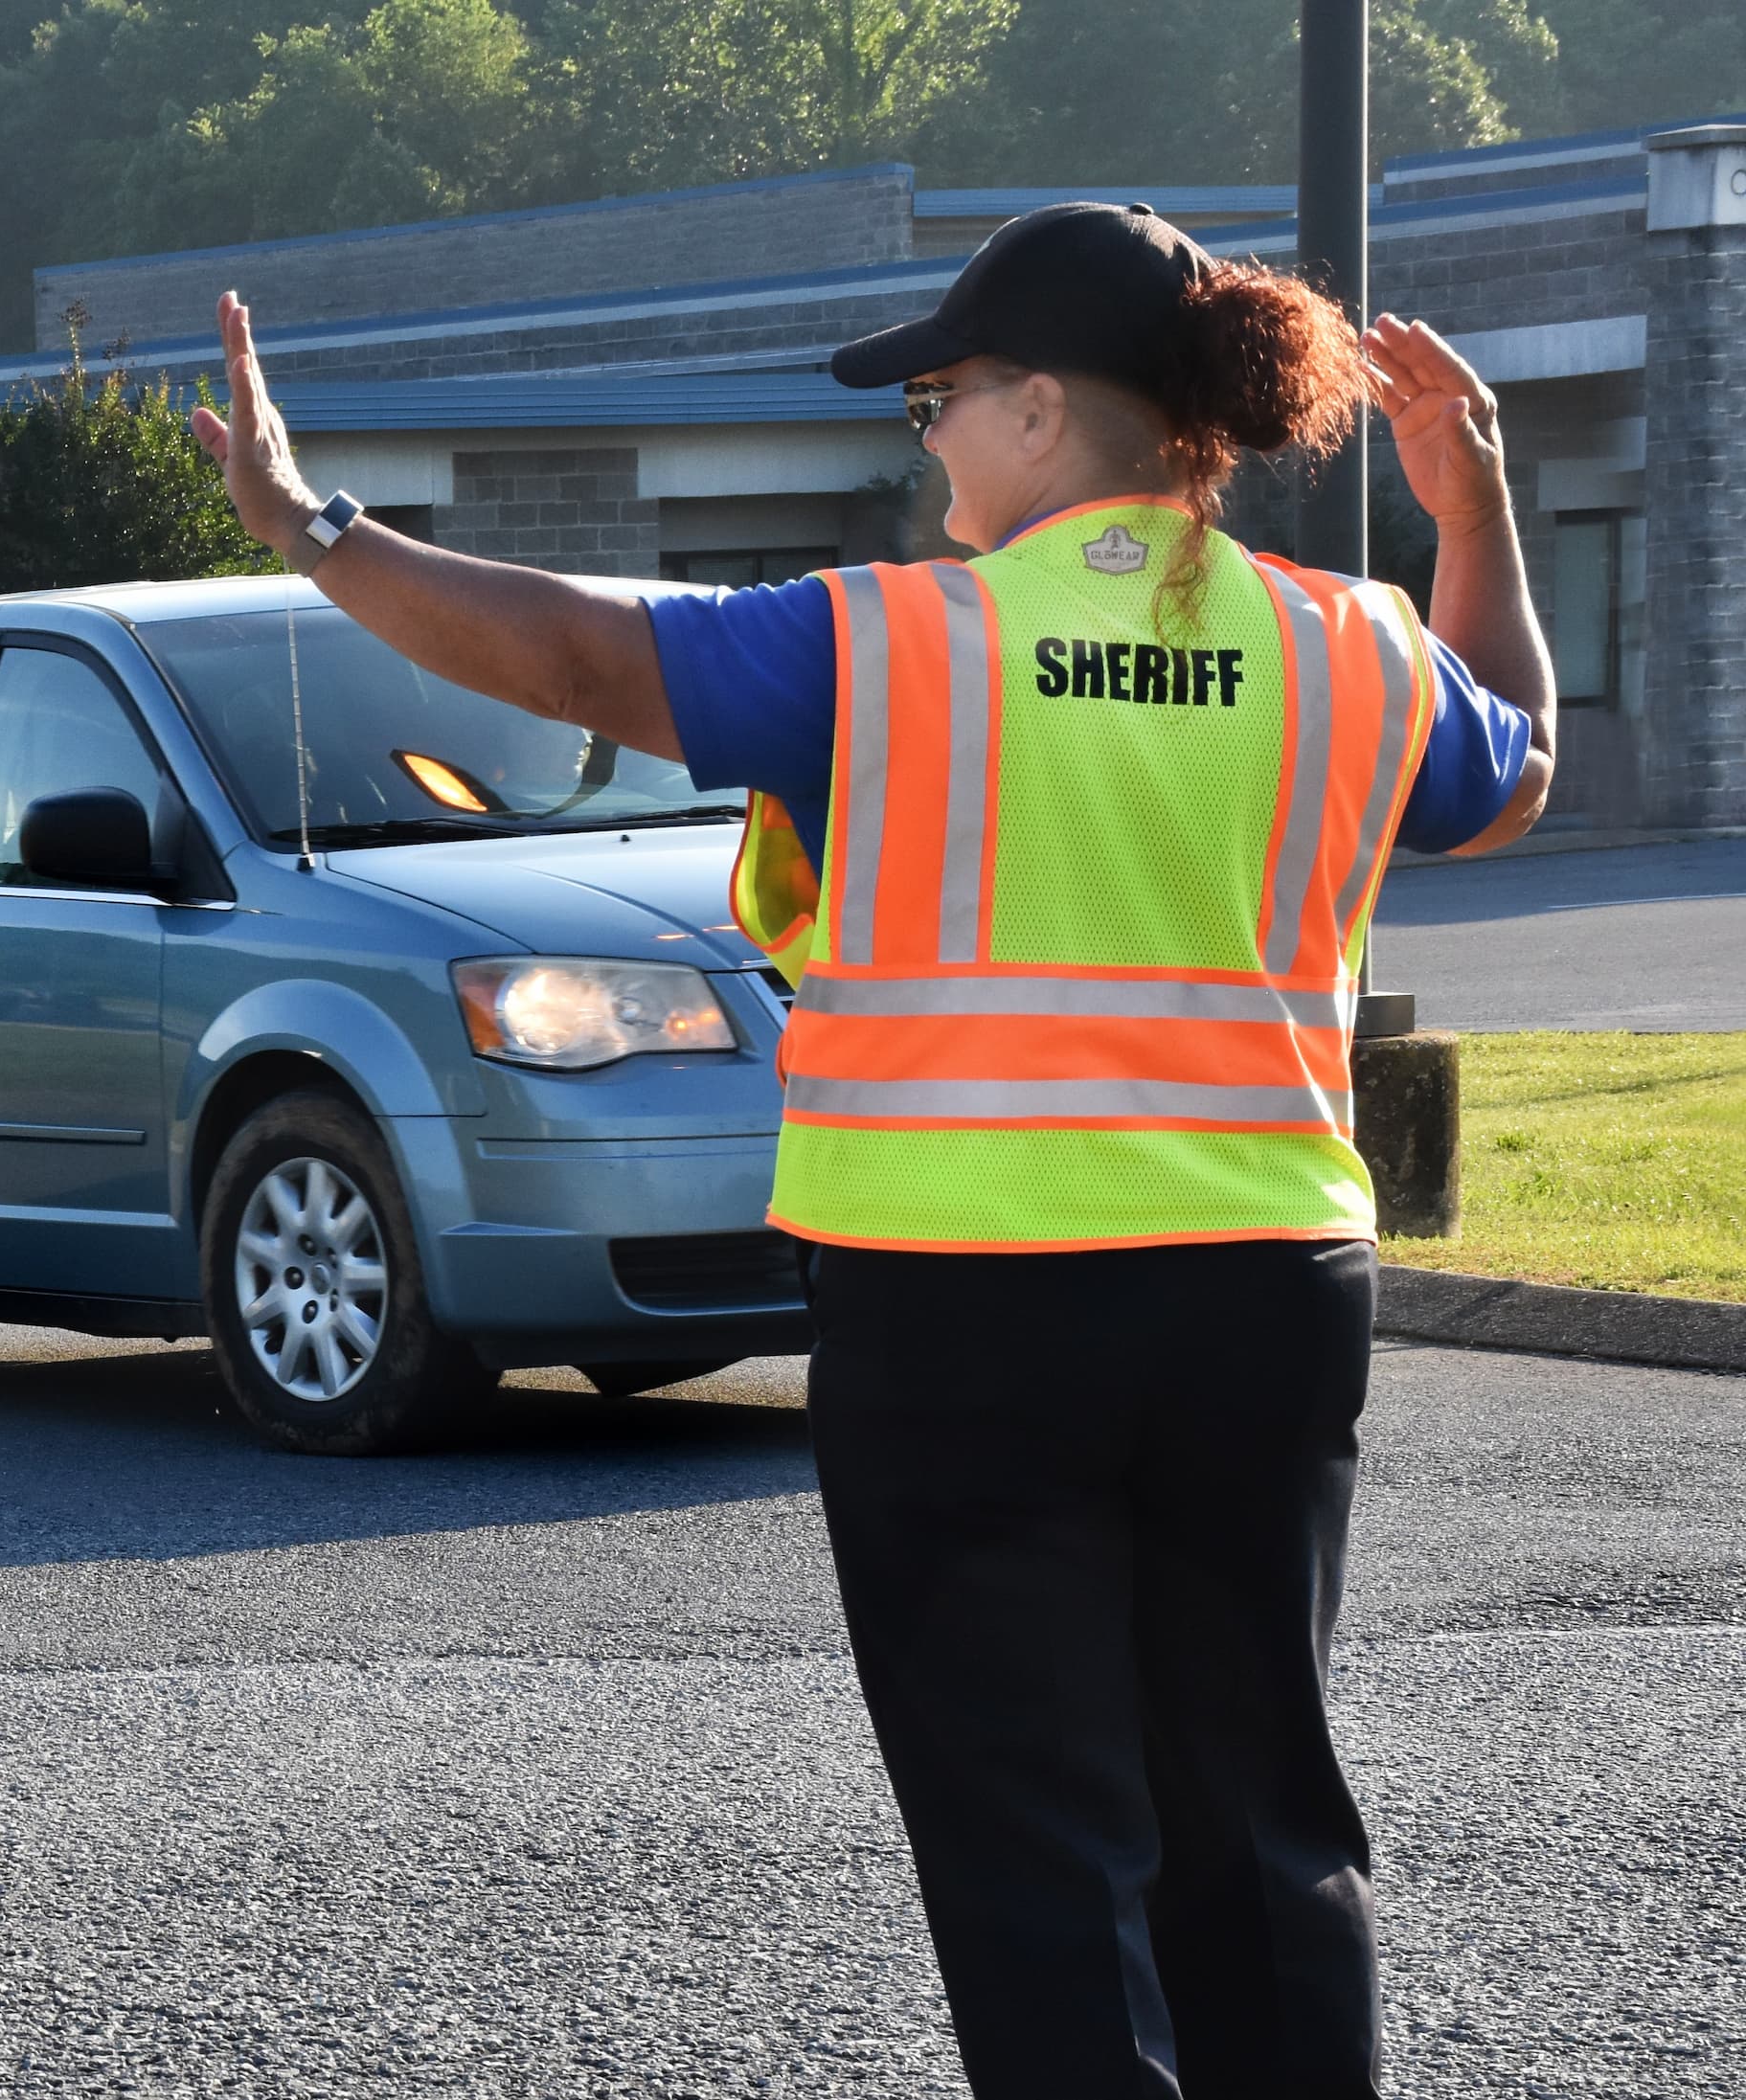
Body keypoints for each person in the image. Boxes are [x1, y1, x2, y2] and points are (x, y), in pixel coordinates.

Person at [190, 203, 1552, 2098]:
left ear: (1045, 414)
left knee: (1037, 1849)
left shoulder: (901, 644)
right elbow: (1520, 764)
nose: (922, 435)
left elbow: (588, 660)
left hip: (968, 1309)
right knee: (1260, 1817)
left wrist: (309, 524)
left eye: (937, 396)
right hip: (1267, 1299)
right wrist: (1469, 504)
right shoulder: (1351, 646)